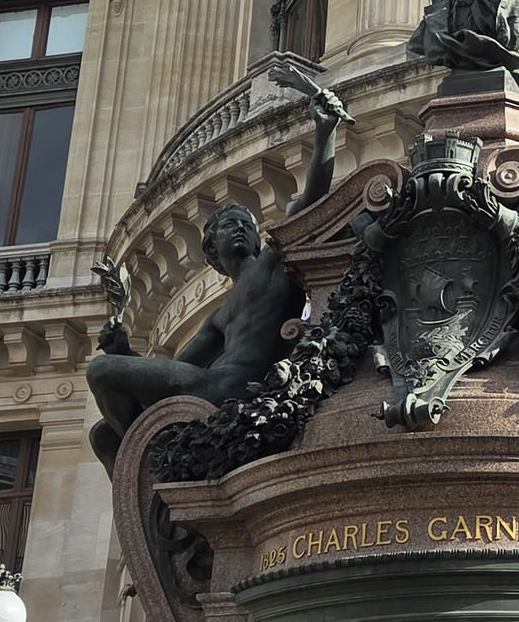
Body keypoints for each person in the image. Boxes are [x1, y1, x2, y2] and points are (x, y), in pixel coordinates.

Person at [86, 83, 347, 472]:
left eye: (246, 224)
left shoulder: (273, 263)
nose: (241, 228)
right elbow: (174, 370)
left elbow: (312, 200)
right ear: (212, 251)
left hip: (233, 389)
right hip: (209, 385)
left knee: (101, 372)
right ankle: (152, 477)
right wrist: (123, 349)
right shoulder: (218, 316)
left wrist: (325, 132)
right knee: (102, 434)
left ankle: (160, 461)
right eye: (229, 225)